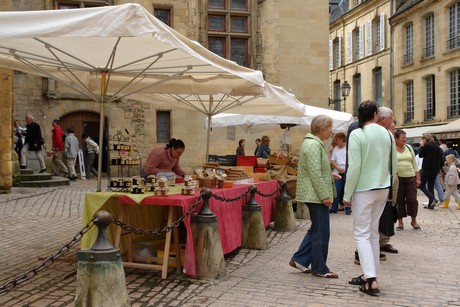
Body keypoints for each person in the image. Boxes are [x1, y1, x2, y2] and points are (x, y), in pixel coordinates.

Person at [344, 100, 397, 296]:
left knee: (361, 233)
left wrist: (346, 194)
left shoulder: (357, 134)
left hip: (364, 188)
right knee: (373, 233)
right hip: (382, 187)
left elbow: (354, 167)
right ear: (375, 114)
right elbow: (393, 164)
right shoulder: (386, 133)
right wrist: (391, 185)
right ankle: (370, 274)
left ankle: (371, 279)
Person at [289, 115, 339, 279]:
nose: (332, 132)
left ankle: (300, 260)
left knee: (316, 229)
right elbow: (314, 173)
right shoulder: (313, 145)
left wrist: (331, 175)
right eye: (330, 128)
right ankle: (319, 267)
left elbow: (317, 169)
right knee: (321, 232)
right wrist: (324, 195)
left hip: (314, 193)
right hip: (315, 195)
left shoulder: (314, 144)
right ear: (322, 129)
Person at [394, 129, 421, 230]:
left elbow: (414, 163)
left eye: (405, 138)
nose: (405, 140)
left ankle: (413, 220)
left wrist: (417, 176)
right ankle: (400, 222)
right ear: (396, 139)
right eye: (403, 138)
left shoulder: (409, 148)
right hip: (398, 178)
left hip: (410, 177)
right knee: (399, 200)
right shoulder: (392, 149)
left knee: (412, 200)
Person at [419, 133, 444, 209]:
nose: (422, 140)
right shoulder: (438, 148)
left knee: (421, 185)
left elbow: (420, 155)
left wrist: (422, 146)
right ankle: (431, 205)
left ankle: (432, 198)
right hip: (435, 170)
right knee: (430, 186)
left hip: (427, 169)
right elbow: (442, 160)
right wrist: (439, 168)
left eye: (423, 138)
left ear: (426, 139)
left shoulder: (426, 146)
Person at [330, 132, 349, 214]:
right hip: (338, 171)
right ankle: (334, 207)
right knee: (336, 189)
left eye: (337, 139)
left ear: (342, 139)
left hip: (347, 170)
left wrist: (346, 168)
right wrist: (338, 168)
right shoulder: (335, 149)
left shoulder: (348, 148)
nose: (336, 141)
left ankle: (348, 208)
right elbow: (332, 161)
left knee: (347, 190)